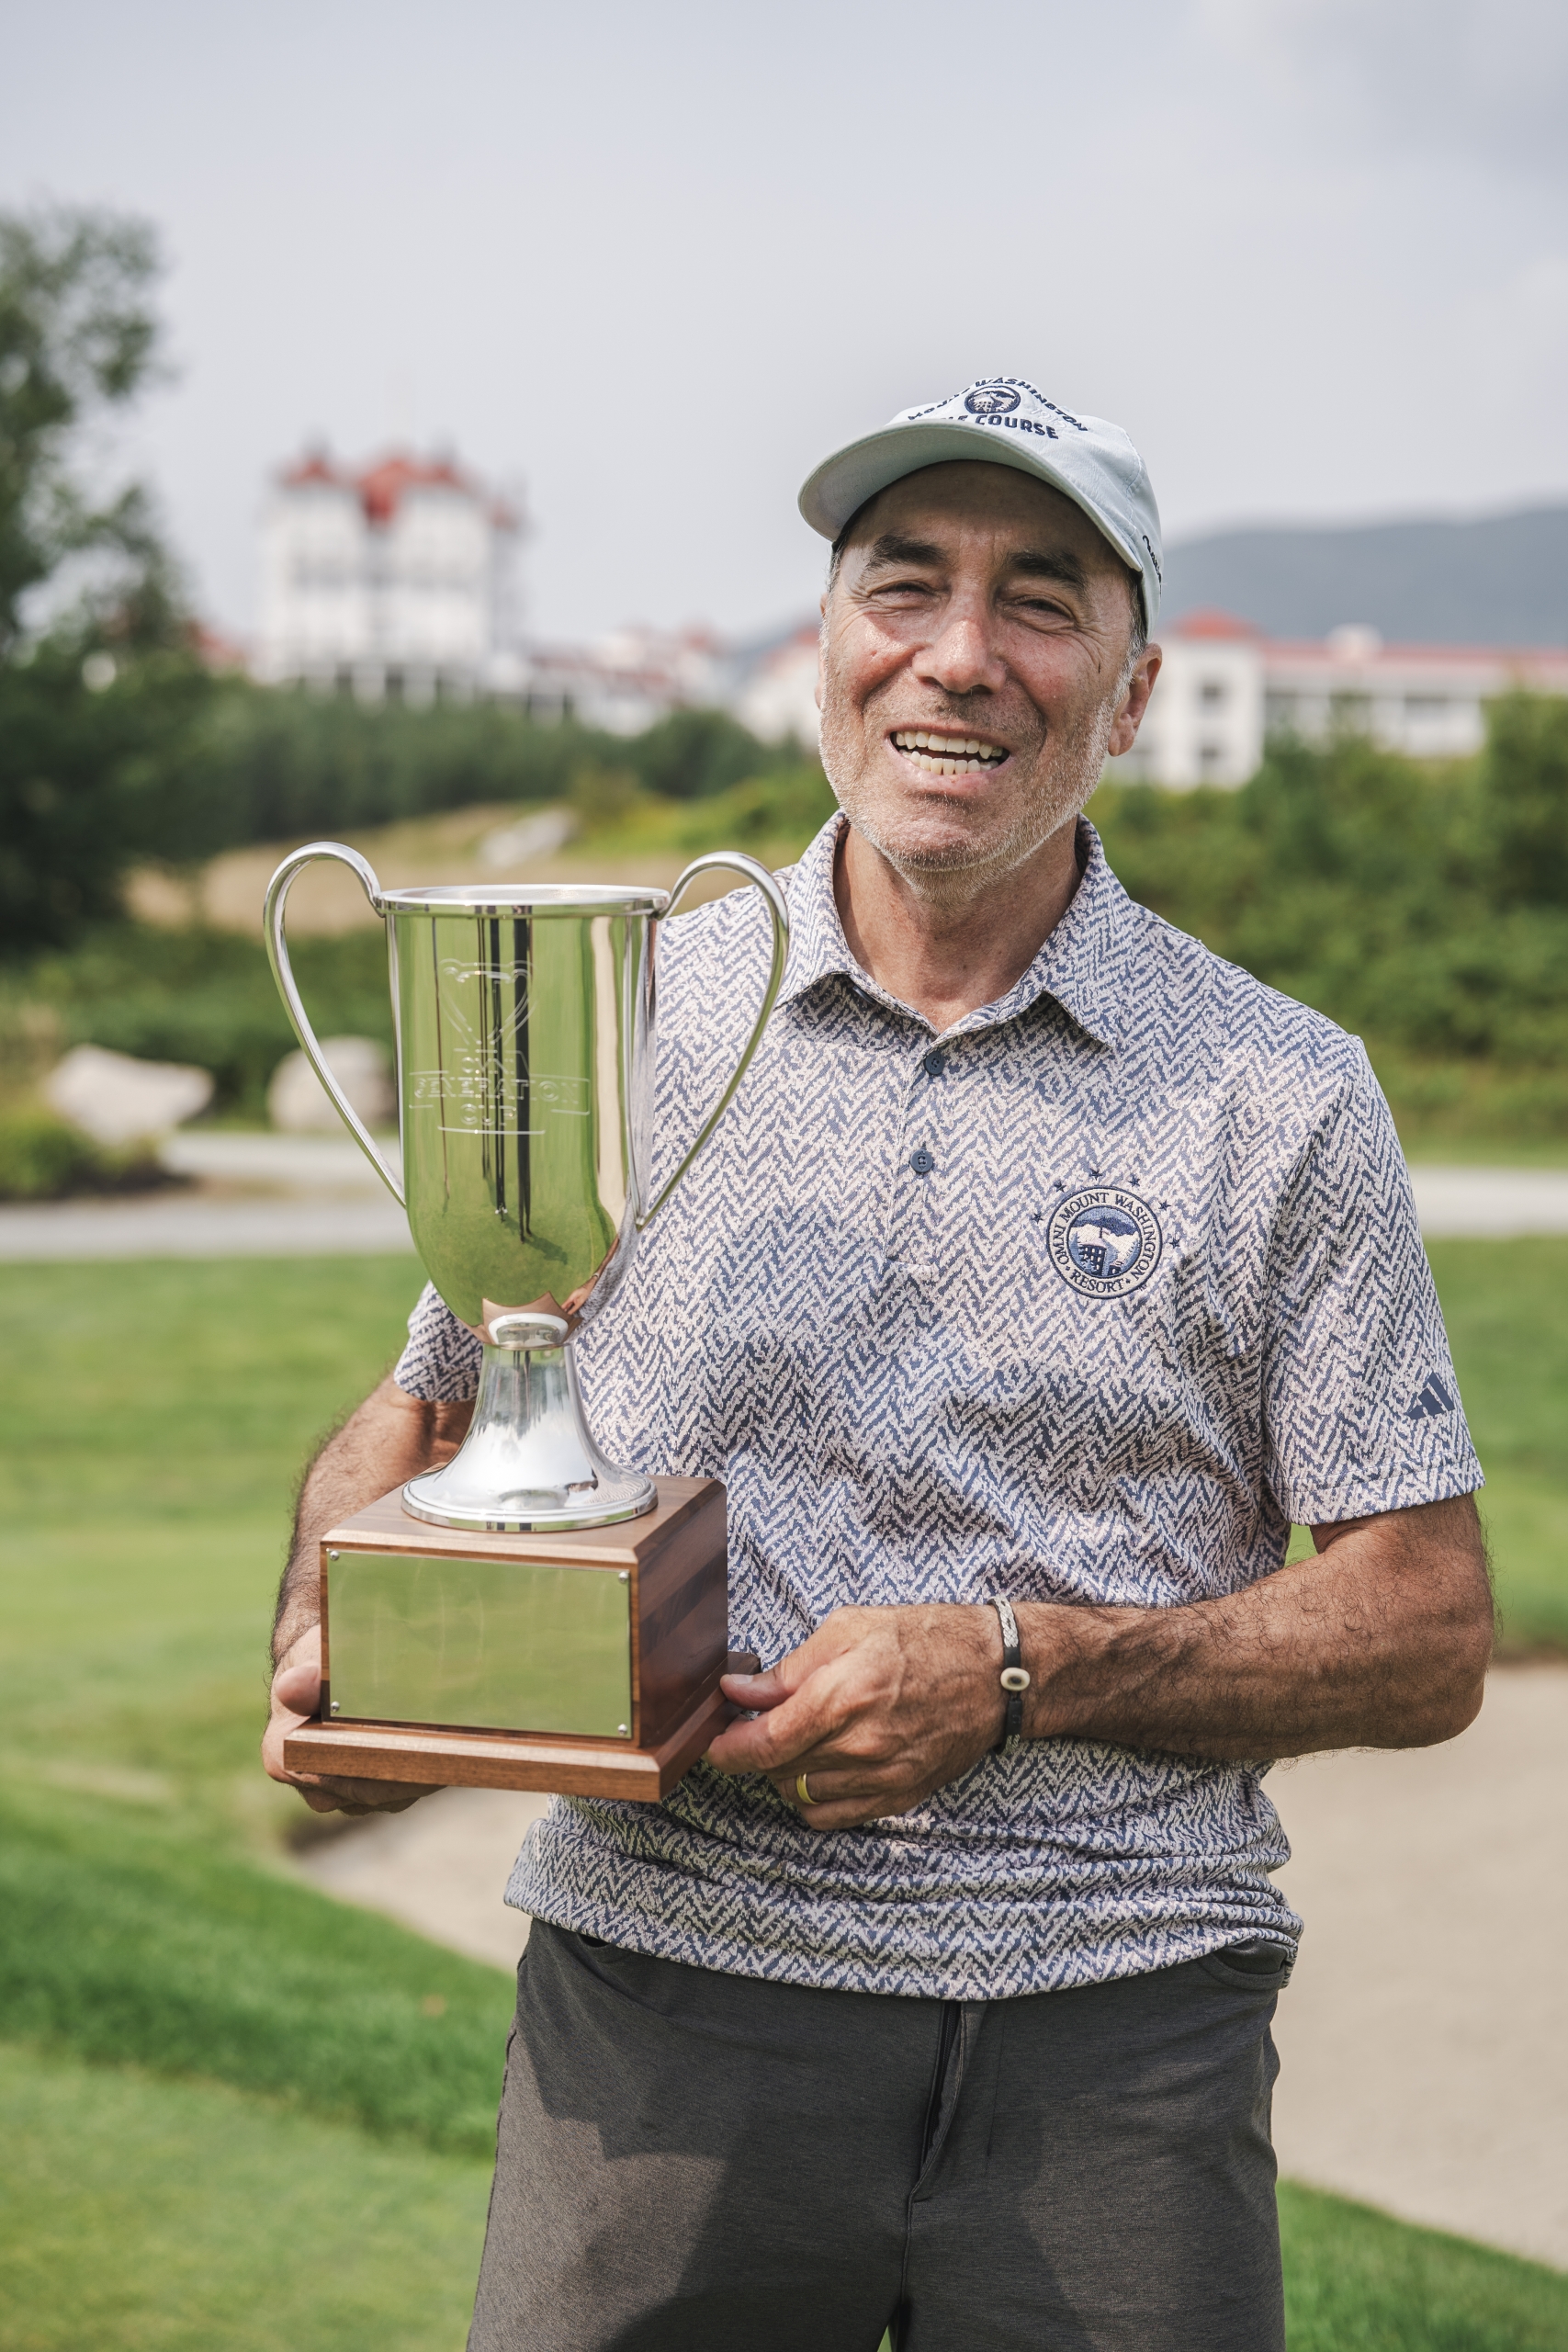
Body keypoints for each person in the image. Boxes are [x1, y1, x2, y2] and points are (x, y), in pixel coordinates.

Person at [265, 377, 1493, 2352]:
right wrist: (342, 1639)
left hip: (1117, 2029)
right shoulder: (632, 998)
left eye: (1037, 598)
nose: (955, 652)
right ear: (823, 646)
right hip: (662, 2003)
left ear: (1130, 686)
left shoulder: (1277, 1091)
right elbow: (433, 1407)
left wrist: (1021, 1665)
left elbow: (1426, 1625)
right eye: (899, 581)